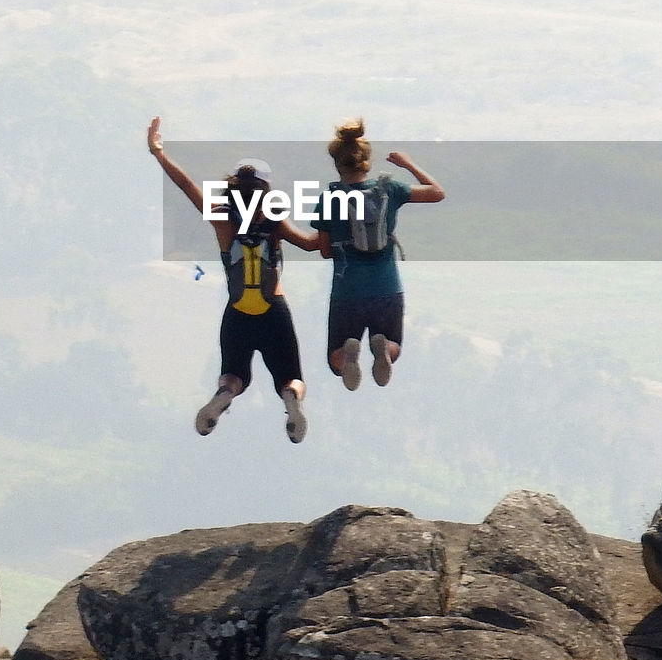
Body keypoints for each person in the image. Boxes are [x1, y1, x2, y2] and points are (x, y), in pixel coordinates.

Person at [148, 117, 317, 443]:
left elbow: (187, 187)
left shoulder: (221, 218)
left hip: (238, 310)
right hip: (274, 309)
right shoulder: (274, 221)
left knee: (234, 374)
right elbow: (313, 245)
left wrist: (159, 153)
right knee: (291, 376)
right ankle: (291, 399)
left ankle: (224, 395)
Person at [315, 119, 444, 390]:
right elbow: (437, 193)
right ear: (367, 162)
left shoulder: (328, 198)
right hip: (387, 290)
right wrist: (407, 164)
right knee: (393, 344)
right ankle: (383, 347)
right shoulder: (390, 189)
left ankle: (349, 353)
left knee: (335, 360)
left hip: (347, 293)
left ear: (337, 164)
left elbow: (325, 251)